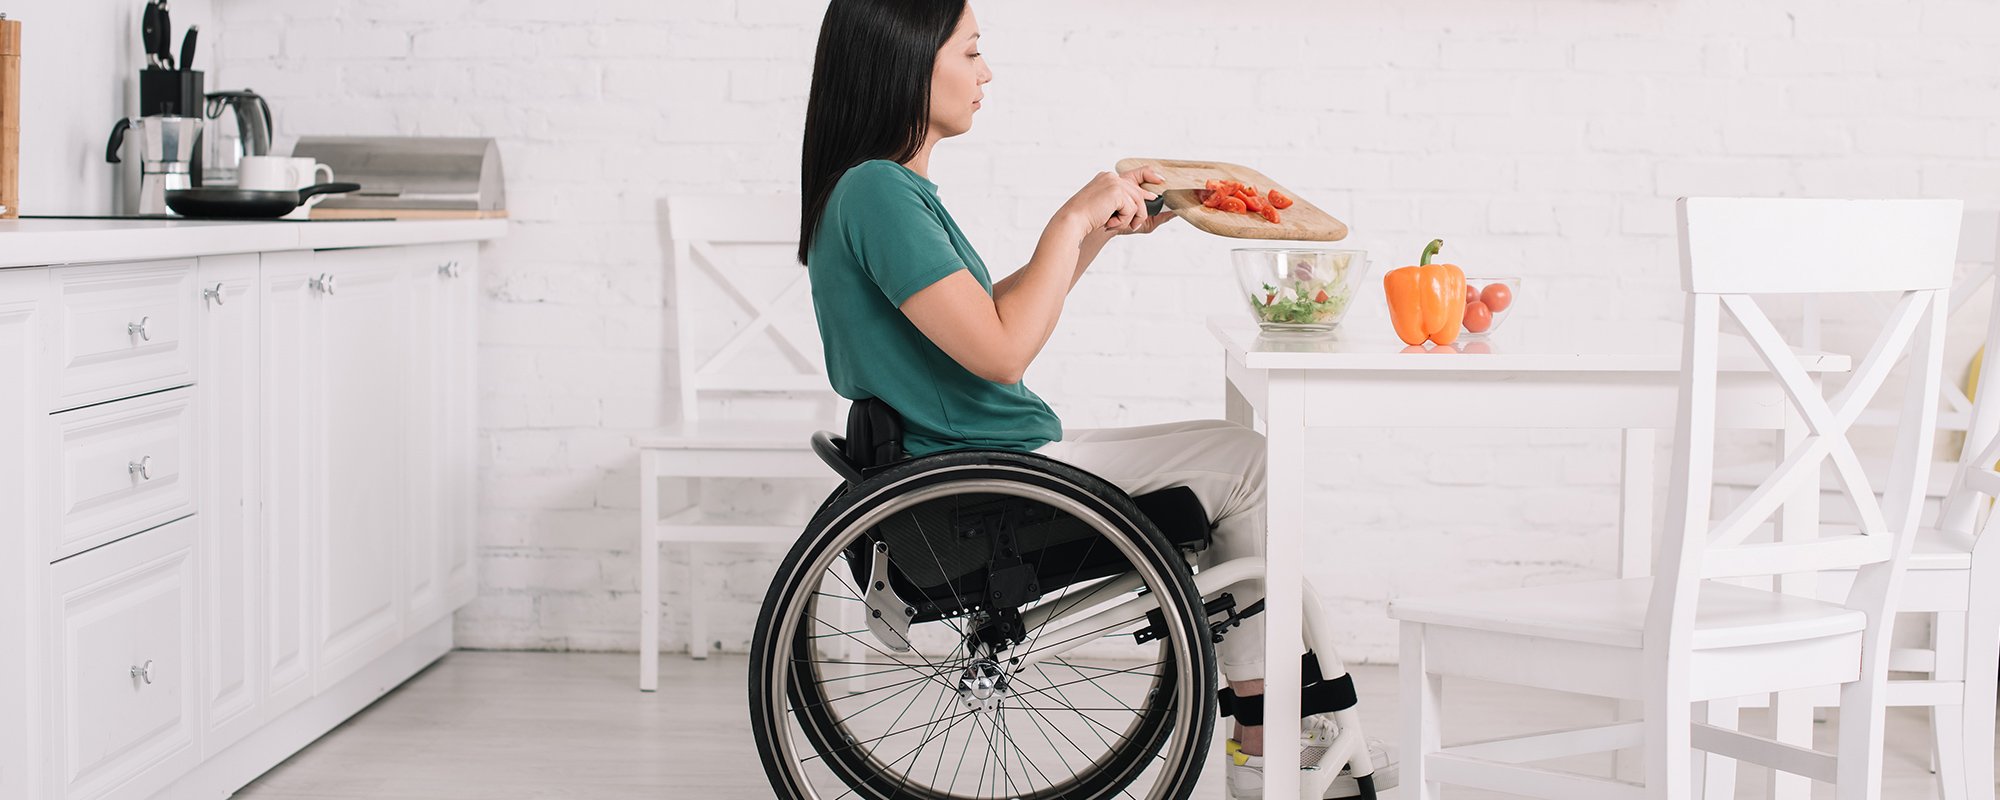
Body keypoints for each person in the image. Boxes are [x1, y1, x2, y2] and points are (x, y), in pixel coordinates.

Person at [797, 1, 1394, 796]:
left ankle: (1266, 732)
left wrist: (1097, 232)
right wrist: (1068, 216)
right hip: (988, 479)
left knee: (1235, 466)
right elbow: (1005, 350)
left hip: (975, 463)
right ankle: (1266, 739)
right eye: (971, 52)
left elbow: (990, 320)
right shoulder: (879, 192)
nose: (986, 73)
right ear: (908, 58)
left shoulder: (881, 189)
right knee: (1249, 464)